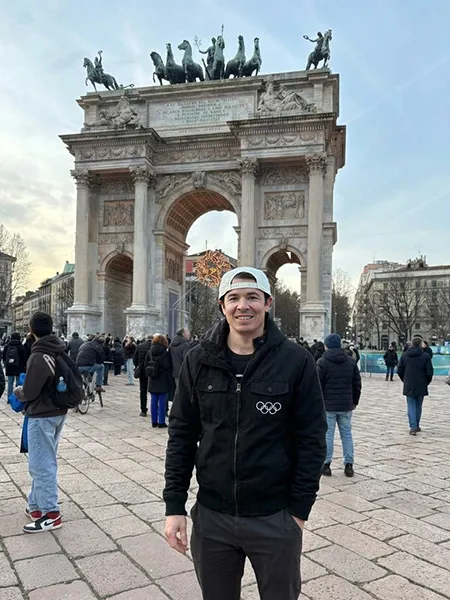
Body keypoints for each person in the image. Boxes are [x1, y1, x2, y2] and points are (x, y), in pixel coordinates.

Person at [164, 267, 326, 600]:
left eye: (253, 297)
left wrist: (298, 512)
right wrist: (174, 506)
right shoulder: (197, 361)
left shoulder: (297, 361)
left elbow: (311, 438)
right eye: (234, 298)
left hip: (275, 517)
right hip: (212, 517)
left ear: (268, 303)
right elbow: (181, 434)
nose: (243, 306)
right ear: (222, 306)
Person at [13, 312, 67, 533]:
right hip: (57, 410)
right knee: (45, 458)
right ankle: (35, 505)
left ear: (31, 329)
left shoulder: (39, 354)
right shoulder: (58, 348)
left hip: (41, 414)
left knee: (40, 464)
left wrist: (18, 391)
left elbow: (30, 391)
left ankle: (51, 514)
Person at [317, 333, 362, 478]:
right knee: (346, 434)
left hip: (328, 405)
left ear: (327, 346)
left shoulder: (322, 362)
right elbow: (357, 384)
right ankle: (349, 464)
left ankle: (326, 464)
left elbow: (317, 385)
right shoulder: (350, 362)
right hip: (346, 403)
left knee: (328, 435)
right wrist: (355, 400)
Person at [397, 337, 433, 435]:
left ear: (412, 344)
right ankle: (416, 425)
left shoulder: (405, 355)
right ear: (421, 344)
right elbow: (429, 371)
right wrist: (427, 381)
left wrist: (404, 379)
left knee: (411, 405)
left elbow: (399, 369)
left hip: (409, 382)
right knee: (418, 405)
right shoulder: (425, 356)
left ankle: (412, 426)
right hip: (421, 382)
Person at [145, 334, 172, 428]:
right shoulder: (165, 353)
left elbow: (146, 364)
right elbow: (168, 366)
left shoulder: (150, 352)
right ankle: (161, 421)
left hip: (153, 378)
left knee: (153, 400)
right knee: (162, 401)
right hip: (163, 379)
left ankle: (154, 421)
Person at [4, 331, 27, 399]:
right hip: (19, 367)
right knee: (18, 382)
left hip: (9, 367)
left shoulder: (7, 346)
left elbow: (4, 356)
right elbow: (24, 357)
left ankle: (9, 398)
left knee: (10, 383)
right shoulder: (21, 347)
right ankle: (17, 398)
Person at [134, 335, 153, 416]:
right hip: (152, 371)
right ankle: (155, 409)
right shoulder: (154, 347)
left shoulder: (140, 346)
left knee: (143, 391)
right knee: (154, 392)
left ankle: (143, 410)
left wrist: (138, 365)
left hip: (142, 371)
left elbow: (135, 359)